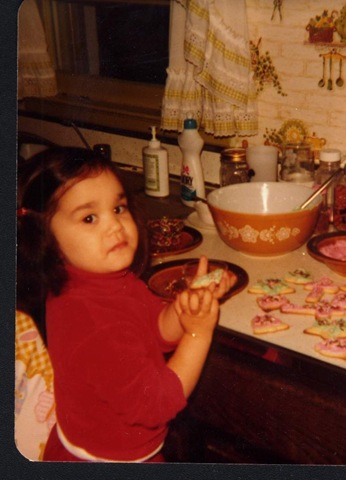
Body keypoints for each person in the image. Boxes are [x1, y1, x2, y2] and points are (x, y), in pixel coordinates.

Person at [16, 146, 233, 462]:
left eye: (118, 209)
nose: (115, 226)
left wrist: (186, 310)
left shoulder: (103, 281)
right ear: (44, 237)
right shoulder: (93, 322)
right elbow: (156, 405)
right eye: (89, 218)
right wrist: (198, 334)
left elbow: (155, 329)